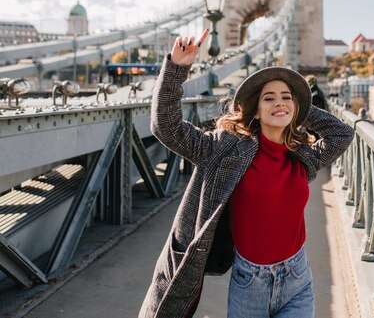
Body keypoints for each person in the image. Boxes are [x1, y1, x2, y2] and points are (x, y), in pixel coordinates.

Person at [139, 30, 354, 318]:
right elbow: (167, 127)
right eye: (268, 99)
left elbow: (342, 133)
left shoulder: (302, 157)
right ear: (254, 111)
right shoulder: (224, 149)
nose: (279, 103)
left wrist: (298, 105)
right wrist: (176, 70)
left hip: (298, 277)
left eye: (285, 97)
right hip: (250, 282)